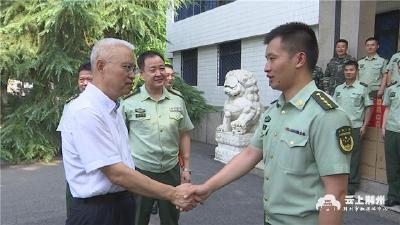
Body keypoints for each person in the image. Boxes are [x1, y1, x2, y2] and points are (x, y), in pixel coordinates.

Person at [190, 22, 353, 225]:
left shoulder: (327, 115)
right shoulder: (276, 110)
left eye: (272, 59)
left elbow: (336, 192)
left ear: (299, 59)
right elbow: (251, 153)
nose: (266, 68)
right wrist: (209, 186)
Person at [57, 38, 195, 225]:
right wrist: (172, 193)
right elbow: (116, 173)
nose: (132, 75)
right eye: (127, 67)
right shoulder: (87, 110)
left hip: (121, 202)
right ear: (101, 66)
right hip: (99, 212)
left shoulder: (111, 107)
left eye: (133, 69)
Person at [120, 51, 194, 225]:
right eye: (153, 69)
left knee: (171, 219)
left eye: (162, 68)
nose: (159, 73)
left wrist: (186, 169)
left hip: (170, 170)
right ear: (141, 74)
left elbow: (184, 133)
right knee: (138, 218)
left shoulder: (177, 101)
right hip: (140, 171)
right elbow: (119, 139)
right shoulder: (129, 103)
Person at [333, 60, 373, 195]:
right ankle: (338, 182)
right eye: (346, 70)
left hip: (355, 127)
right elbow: (333, 108)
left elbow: (368, 107)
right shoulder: (338, 89)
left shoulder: (362, 88)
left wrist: (364, 126)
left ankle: (352, 185)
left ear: (357, 71)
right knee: (338, 156)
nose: (348, 72)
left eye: (351, 70)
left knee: (354, 157)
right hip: (339, 127)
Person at [65, 62, 92, 216]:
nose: (85, 83)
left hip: (102, 174)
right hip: (78, 171)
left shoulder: (113, 104)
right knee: (75, 212)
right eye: (82, 79)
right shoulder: (70, 104)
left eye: (89, 79)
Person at [381, 80, 400, 207]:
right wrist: (383, 127)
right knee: (392, 165)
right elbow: (387, 109)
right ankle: (393, 196)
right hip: (392, 130)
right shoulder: (391, 89)